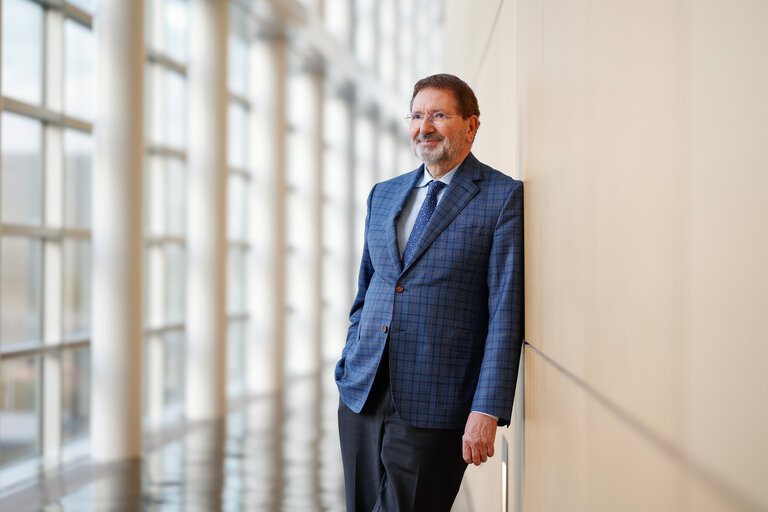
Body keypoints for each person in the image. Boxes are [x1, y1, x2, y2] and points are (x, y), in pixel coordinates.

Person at [335, 73, 524, 512]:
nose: (425, 127)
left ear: (471, 126)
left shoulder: (501, 197)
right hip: (363, 392)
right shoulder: (384, 195)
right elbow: (369, 288)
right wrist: (348, 359)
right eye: (417, 115)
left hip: (437, 400)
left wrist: (487, 408)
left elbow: (504, 312)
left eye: (439, 115)